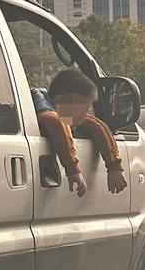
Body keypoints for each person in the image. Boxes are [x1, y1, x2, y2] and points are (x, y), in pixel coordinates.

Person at [34, 67, 127, 197]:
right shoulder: (48, 114)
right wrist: (73, 169)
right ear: (60, 101)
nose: (85, 114)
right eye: (84, 108)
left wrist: (115, 167)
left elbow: (97, 126)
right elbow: (55, 121)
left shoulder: (64, 112)